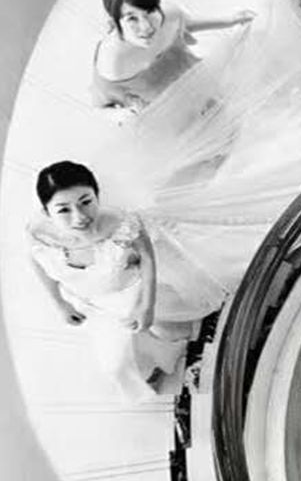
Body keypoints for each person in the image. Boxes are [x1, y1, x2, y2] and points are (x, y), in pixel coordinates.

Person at [26, 161, 218, 400]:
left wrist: (146, 306)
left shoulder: (121, 224)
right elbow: (38, 263)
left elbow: (147, 258)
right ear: (47, 212)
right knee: (115, 364)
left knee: (153, 336)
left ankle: (180, 357)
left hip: (130, 292)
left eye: (86, 202)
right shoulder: (42, 234)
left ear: (97, 196)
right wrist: (60, 304)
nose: (79, 217)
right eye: (63, 210)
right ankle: (156, 372)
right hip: (91, 304)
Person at [91, 0, 252, 114]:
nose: (146, 27)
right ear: (115, 23)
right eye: (132, 18)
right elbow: (100, 107)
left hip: (202, 90)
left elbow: (185, 24)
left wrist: (229, 21)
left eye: (150, 12)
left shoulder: (168, 15)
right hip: (168, 120)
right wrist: (125, 114)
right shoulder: (112, 61)